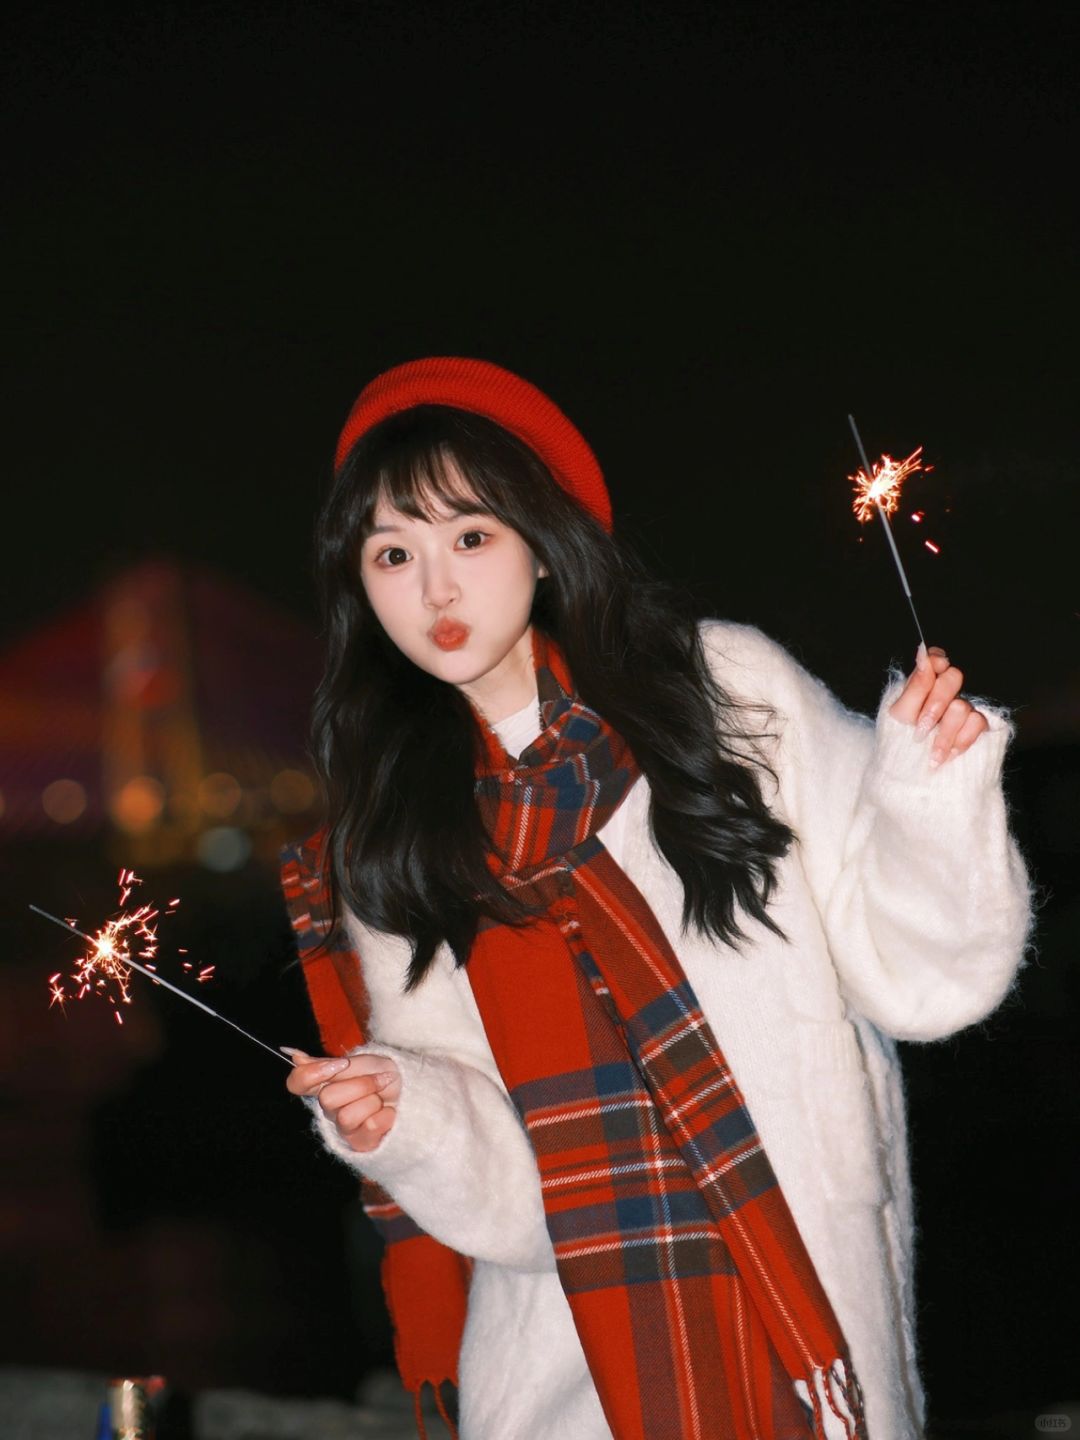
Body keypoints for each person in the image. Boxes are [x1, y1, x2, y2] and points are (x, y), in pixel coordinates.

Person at [281, 357, 1030, 1440]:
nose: (435, 589)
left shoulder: (722, 691)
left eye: (471, 537)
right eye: (393, 554)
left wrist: (926, 794)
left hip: (808, 1324)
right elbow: (518, 1207)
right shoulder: (397, 833)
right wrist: (409, 1117)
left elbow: (924, 983)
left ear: (543, 543)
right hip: (571, 1374)